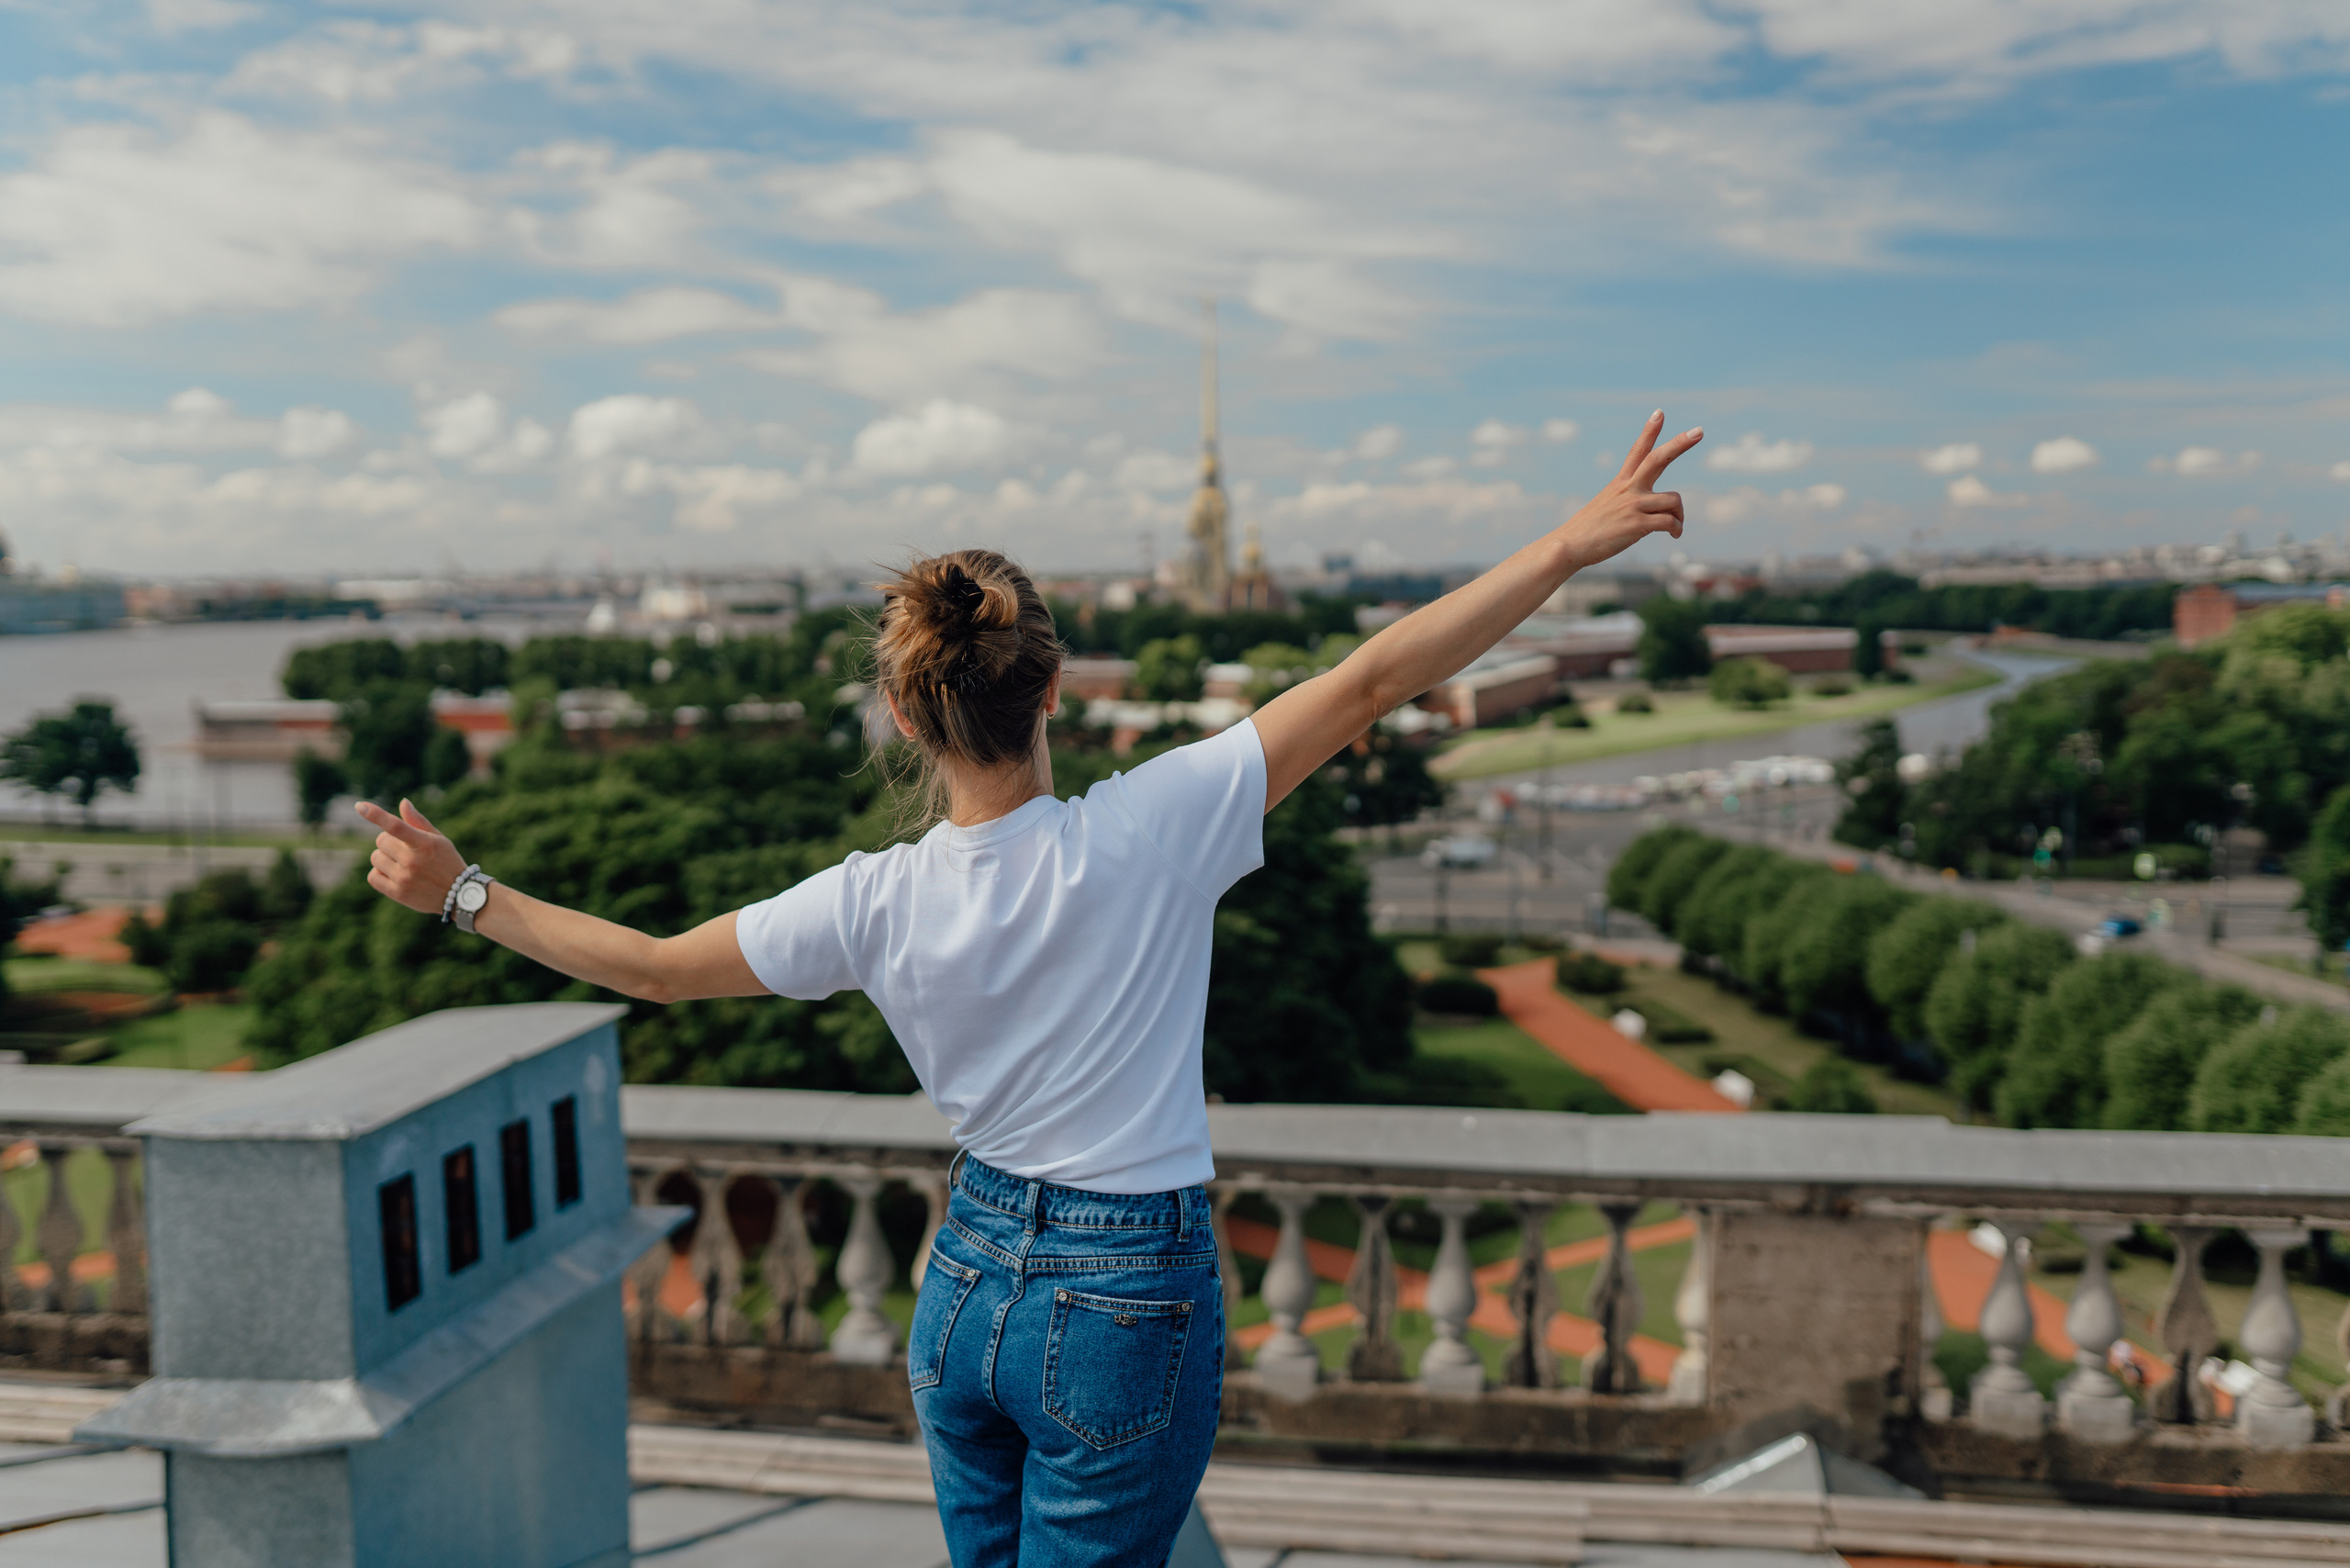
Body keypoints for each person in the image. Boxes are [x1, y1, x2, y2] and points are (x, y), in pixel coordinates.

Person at [357, 411, 1702, 1567]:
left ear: (903, 714)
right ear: (1054, 685)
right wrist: (1569, 547)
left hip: (967, 1281)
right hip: (1124, 1291)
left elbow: (648, 970)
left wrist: (463, 891)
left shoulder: (870, 900)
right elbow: (1369, 682)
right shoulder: (1150, 825)